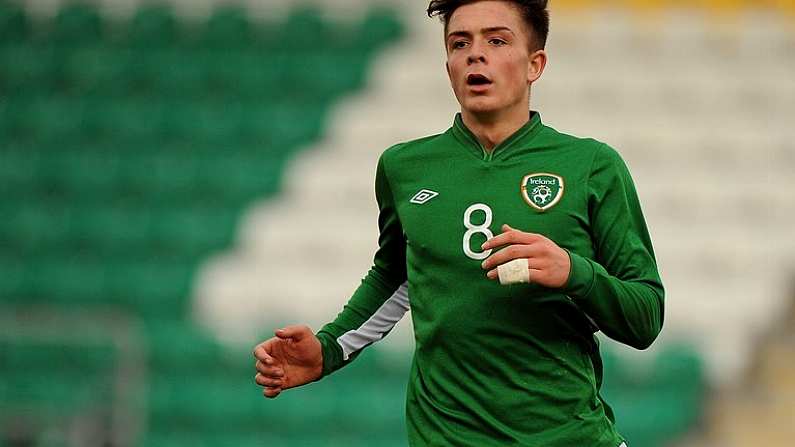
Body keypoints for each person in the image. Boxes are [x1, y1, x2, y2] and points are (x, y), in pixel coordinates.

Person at [253, 1, 663, 445]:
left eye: (497, 40)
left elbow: (645, 316)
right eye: (459, 43)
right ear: (447, 64)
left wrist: (573, 272)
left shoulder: (592, 166)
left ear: (535, 64)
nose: (475, 54)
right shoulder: (404, 167)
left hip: (567, 436)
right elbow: (395, 276)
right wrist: (328, 349)